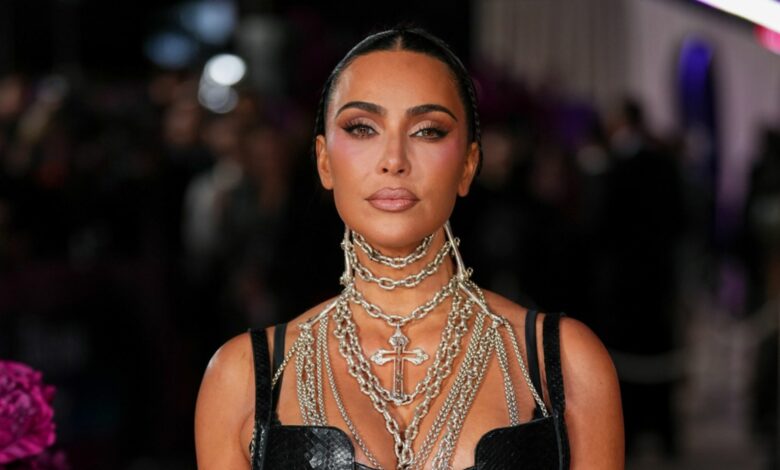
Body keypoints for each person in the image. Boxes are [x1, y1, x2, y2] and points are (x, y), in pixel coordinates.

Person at [194, 27, 624, 470]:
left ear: (468, 164)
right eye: (363, 128)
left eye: (427, 131)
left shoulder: (565, 363)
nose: (394, 160)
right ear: (324, 161)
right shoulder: (242, 377)